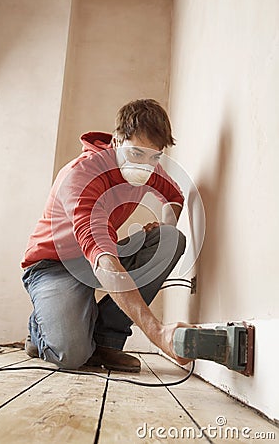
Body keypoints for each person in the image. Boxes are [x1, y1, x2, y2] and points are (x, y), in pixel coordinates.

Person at [21, 99, 191, 373]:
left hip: (95, 258)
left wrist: (163, 226)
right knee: (72, 356)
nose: (146, 166)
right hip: (53, 266)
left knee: (170, 240)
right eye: (136, 154)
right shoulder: (82, 175)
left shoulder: (146, 167)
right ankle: (38, 328)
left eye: (154, 157)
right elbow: (102, 256)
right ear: (116, 141)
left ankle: (106, 340)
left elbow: (174, 196)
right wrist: (157, 332)